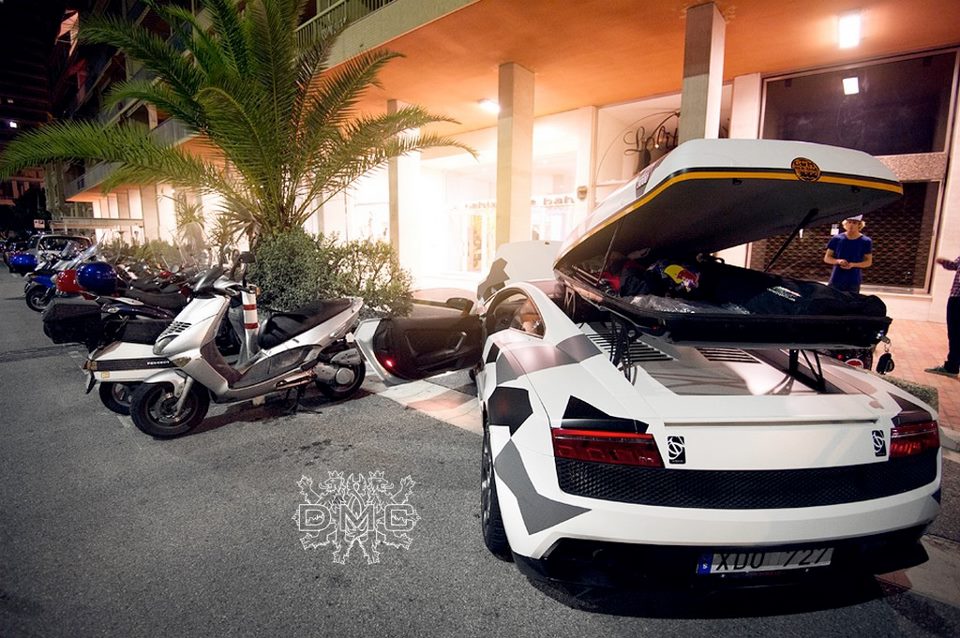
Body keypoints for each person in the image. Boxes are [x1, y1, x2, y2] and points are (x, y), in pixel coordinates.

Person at [925, 255, 960, 378]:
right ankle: (952, 365)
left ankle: (952, 366)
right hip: (955, 297)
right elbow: (955, 265)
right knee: (954, 333)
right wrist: (944, 262)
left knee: (956, 333)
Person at [823, 215, 873, 294]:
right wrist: (838, 261)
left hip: (853, 279)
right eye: (849, 222)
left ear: (859, 225)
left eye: (854, 223)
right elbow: (827, 258)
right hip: (836, 278)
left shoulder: (866, 241)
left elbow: (868, 262)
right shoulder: (837, 239)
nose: (851, 225)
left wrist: (853, 265)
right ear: (845, 224)